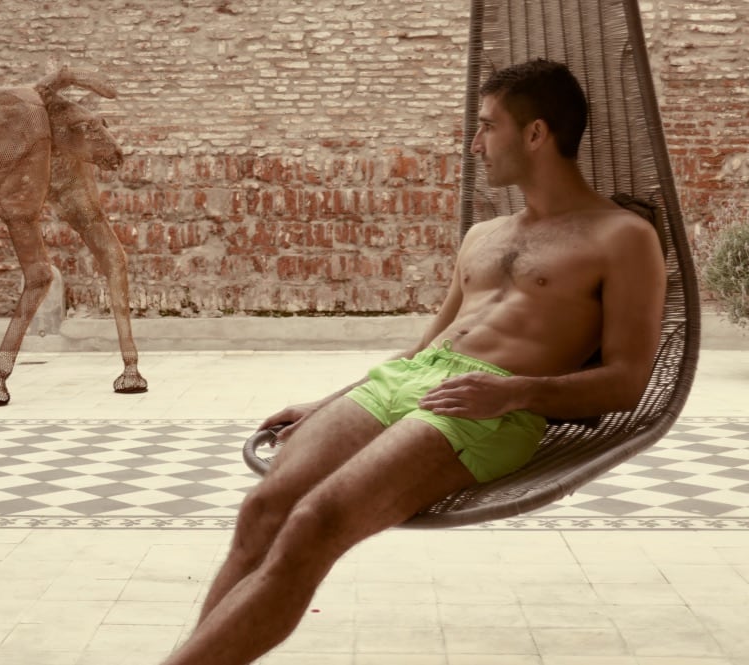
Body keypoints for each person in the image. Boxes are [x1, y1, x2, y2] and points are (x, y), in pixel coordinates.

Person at [161, 58, 667, 665]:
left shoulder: (621, 236)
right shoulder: (484, 235)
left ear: (536, 134)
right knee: (264, 508)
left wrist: (515, 395)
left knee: (313, 524)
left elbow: (628, 382)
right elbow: (424, 351)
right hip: (407, 384)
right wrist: (328, 403)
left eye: (487, 126)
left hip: (489, 407)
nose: (475, 145)